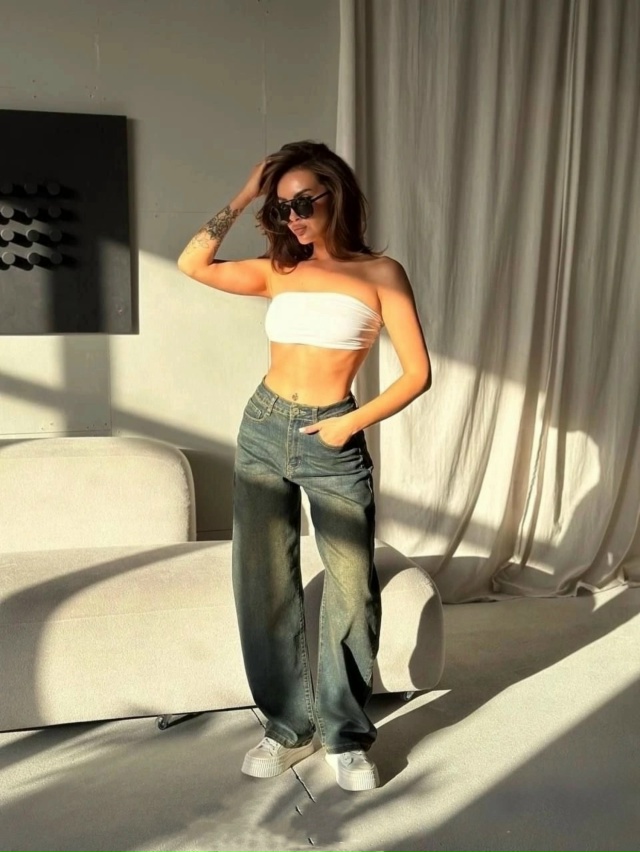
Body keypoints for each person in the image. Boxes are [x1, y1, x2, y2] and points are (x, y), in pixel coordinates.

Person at [177, 140, 431, 792]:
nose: (290, 217)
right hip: (263, 427)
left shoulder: (382, 273)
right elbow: (192, 262)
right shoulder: (278, 269)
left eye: (302, 202)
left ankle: (345, 735)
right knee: (262, 581)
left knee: (352, 587)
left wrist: (350, 422)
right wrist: (244, 194)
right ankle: (289, 728)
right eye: (280, 206)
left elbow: (417, 374)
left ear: (334, 195)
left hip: (333, 436)